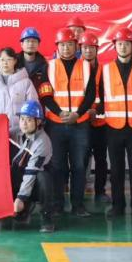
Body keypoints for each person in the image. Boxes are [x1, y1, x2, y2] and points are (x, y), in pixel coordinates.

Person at [39, 28, 97, 218]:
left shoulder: (86, 67)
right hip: (55, 124)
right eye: (62, 45)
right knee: (57, 166)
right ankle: (58, 205)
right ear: (57, 47)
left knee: (79, 166)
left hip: (80, 124)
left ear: (76, 46)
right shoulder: (49, 66)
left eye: (70, 44)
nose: (66, 48)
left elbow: (90, 95)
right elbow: (45, 95)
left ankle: (78, 205)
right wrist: (60, 112)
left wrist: (77, 114)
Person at [98, 28, 132, 217]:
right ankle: (117, 206)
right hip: (113, 127)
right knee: (116, 171)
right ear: (115, 46)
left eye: (127, 44)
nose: (123, 47)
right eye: (119, 44)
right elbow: (101, 98)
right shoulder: (106, 70)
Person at [11, 100, 56, 233]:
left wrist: (21, 198)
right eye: (22, 119)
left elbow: (31, 173)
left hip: (37, 181)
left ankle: (47, 217)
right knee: (12, 171)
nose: (24, 123)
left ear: (39, 122)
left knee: (43, 178)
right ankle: (24, 209)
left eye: (29, 120)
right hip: (25, 177)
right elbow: (0, 132)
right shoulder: (19, 132)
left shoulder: (42, 142)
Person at [80, 32, 110, 206]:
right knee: (81, 159)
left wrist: (96, 110)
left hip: (100, 122)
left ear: (97, 49)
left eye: (91, 48)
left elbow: (108, 96)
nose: (88, 51)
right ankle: (79, 191)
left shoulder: (104, 70)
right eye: (85, 48)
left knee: (101, 159)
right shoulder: (76, 70)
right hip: (81, 122)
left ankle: (100, 191)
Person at [0, 48, 36, 135]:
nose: (5, 63)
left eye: (9, 59)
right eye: (2, 60)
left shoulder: (26, 82)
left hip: (20, 131)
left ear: (15, 61)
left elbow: (33, 105)